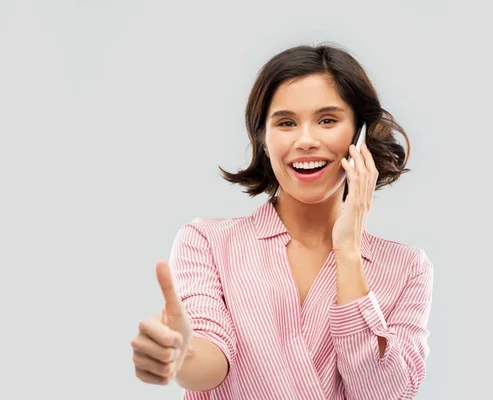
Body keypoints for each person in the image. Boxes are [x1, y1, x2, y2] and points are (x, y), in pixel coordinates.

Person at [130, 43, 434, 400]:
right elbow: (210, 361)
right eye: (286, 123)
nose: (306, 140)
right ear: (263, 140)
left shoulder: (407, 269)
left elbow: (383, 393)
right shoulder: (208, 242)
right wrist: (179, 356)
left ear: (360, 135)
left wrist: (348, 251)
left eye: (327, 120)